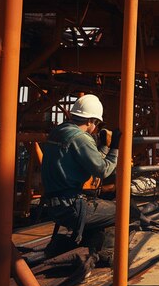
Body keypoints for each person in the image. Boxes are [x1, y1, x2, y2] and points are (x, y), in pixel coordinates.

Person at [41, 94, 124, 260]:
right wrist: (115, 147)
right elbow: (103, 170)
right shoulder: (80, 138)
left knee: (100, 212)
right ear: (91, 121)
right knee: (122, 211)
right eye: (97, 123)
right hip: (70, 207)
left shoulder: (59, 131)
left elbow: (89, 161)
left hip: (51, 205)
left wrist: (103, 147)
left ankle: (71, 242)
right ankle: (104, 253)